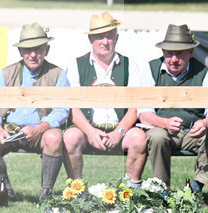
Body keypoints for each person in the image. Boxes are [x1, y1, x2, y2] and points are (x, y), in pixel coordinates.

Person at [0, 22, 70, 204]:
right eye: (27, 50)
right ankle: (6, 191)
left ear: (47, 49)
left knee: (54, 137)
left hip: (41, 131)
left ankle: (46, 195)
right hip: (9, 130)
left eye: (38, 49)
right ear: (20, 52)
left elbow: (62, 110)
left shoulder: (58, 74)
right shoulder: (6, 73)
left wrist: (39, 128)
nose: (33, 55)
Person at [63, 12, 148, 186]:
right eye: (99, 37)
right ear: (90, 39)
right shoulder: (75, 66)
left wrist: (119, 132)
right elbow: (71, 107)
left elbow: (136, 106)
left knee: (139, 138)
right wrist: (89, 131)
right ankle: (76, 190)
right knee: (70, 137)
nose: (105, 41)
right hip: (87, 131)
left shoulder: (130, 65)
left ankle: (132, 191)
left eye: (109, 36)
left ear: (116, 39)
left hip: (122, 131)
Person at [137, 24, 208, 195]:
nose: (174, 59)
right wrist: (164, 123)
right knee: (156, 136)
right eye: (169, 53)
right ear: (163, 52)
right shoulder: (150, 69)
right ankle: (162, 191)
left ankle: (197, 187)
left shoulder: (204, 73)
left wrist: (205, 122)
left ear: (191, 52)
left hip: (193, 132)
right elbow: (144, 113)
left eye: (179, 53)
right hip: (163, 130)